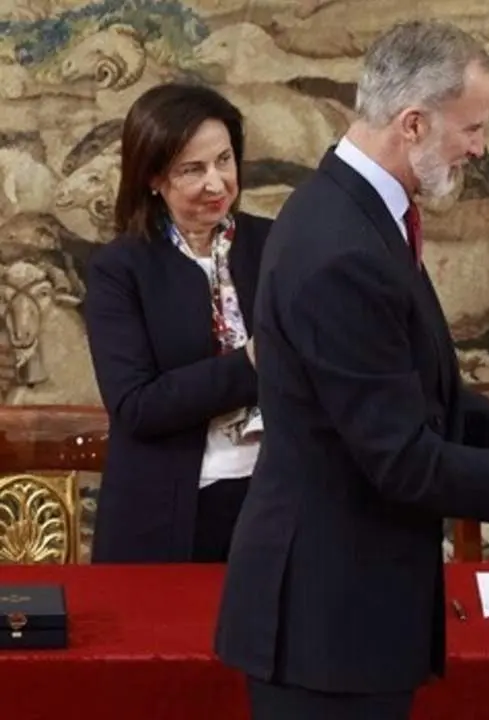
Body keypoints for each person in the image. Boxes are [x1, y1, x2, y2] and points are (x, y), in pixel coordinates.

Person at [213, 21, 489, 719]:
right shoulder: (342, 250)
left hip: (350, 612)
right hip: (326, 626)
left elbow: (421, 391)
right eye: (472, 127)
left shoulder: (360, 214)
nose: (481, 147)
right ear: (413, 124)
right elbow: (401, 459)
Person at [84, 83, 268, 563]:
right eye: (193, 169)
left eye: (224, 160)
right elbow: (137, 405)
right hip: (165, 515)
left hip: (274, 498)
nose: (217, 183)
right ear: (152, 177)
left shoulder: (276, 245)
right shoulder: (119, 269)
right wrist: (252, 363)